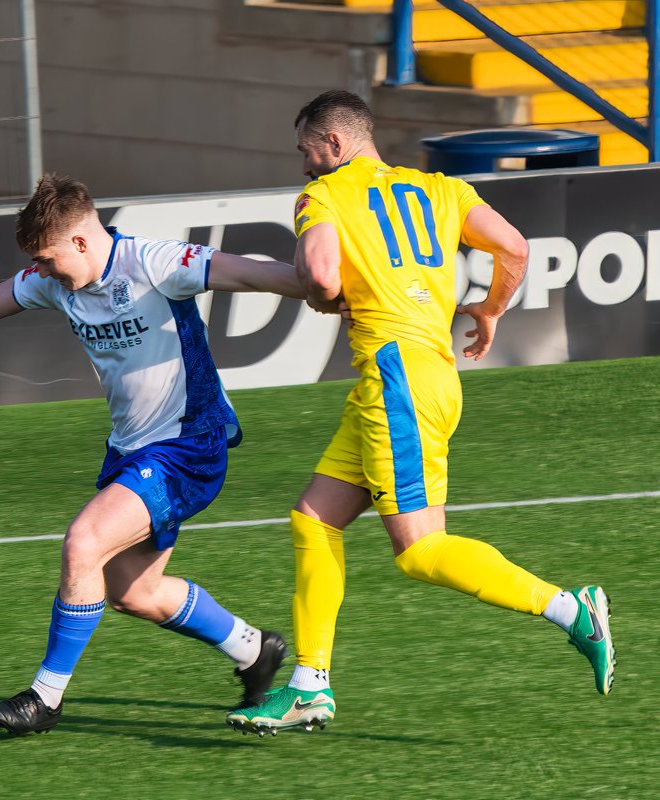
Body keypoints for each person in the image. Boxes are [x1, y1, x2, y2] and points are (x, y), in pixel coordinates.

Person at [226, 90, 616, 736]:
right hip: (419, 376)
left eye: (307, 151)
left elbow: (320, 277)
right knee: (314, 518)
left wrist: (324, 298)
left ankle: (571, 610)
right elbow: (514, 246)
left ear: (334, 144)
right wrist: (490, 309)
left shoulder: (323, 196)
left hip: (396, 382)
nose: (304, 165)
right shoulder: (441, 189)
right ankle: (309, 686)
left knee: (419, 549)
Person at [0, 174, 304, 736]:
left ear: (81, 241)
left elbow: (252, 272)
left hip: (189, 445)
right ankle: (253, 649)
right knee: (134, 592)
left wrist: (327, 288)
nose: (42, 272)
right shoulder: (56, 282)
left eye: (47, 259)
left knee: (83, 542)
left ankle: (45, 698)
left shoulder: (154, 263)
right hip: (131, 450)